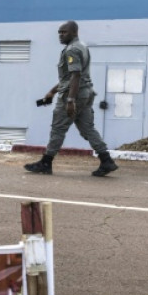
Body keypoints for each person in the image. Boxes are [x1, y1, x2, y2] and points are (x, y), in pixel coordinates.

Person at [24, 20, 118, 177]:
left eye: (64, 32)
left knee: (58, 128)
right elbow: (69, 77)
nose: (60, 35)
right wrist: (52, 92)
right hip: (86, 93)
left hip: (74, 94)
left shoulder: (72, 50)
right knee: (88, 128)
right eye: (59, 32)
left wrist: (70, 101)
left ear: (74, 32)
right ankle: (106, 160)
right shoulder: (81, 46)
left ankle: (46, 163)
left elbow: (76, 75)